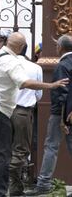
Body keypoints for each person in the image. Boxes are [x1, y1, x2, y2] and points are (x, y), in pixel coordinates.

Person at [0, 32, 68, 197]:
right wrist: (51, 86)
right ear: (23, 47)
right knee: (2, 154)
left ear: (7, 42)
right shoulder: (13, 63)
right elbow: (25, 83)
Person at [26, 34, 72, 196]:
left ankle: (44, 183)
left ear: (60, 47)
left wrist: (61, 119)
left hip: (62, 113)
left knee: (51, 146)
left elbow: (61, 93)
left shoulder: (62, 65)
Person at [8, 45, 43, 196]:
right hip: (23, 111)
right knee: (21, 150)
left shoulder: (6, 65)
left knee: (6, 148)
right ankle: (12, 181)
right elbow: (39, 95)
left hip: (5, 110)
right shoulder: (34, 67)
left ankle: (13, 186)